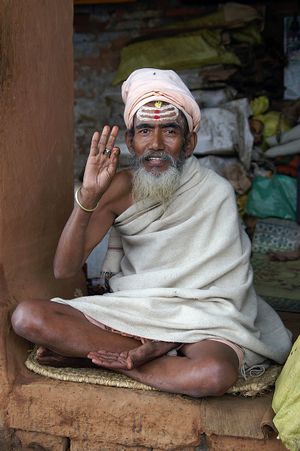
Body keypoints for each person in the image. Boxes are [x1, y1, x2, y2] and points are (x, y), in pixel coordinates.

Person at [11, 68, 292, 398]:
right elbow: (64, 269)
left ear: (189, 143)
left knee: (213, 375)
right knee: (28, 318)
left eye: (170, 131)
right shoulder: (117, 188)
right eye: (145, 130)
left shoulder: (216, 192)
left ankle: (115, 359)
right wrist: (87, 198)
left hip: (203, 320)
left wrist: (168, 339)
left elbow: (227, 295)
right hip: (136, 310)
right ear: (130, 141)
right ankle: (143, 357)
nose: (156, 145)